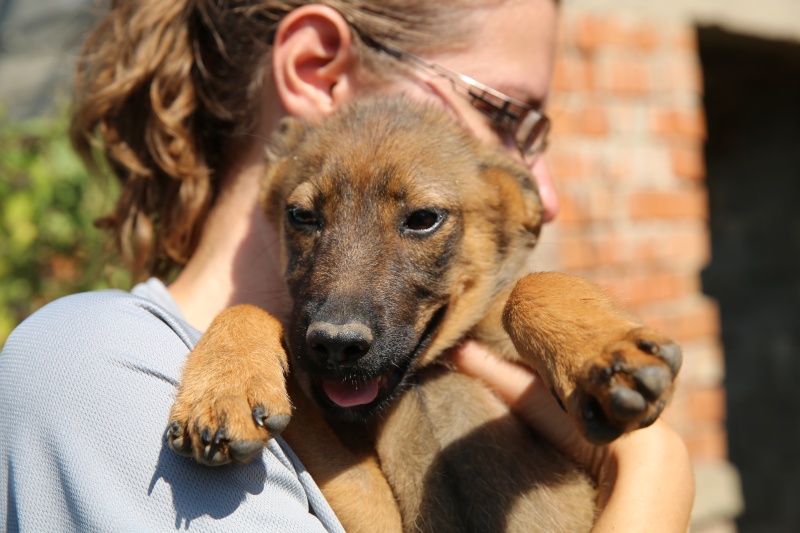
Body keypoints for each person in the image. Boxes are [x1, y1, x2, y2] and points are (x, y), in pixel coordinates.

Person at [0, 0, 694, 531]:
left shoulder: (458, 331)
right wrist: (651, 486)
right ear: (317, 71)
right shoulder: (93, 371)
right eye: (506, 114)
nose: (543, 192)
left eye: (422, 217)